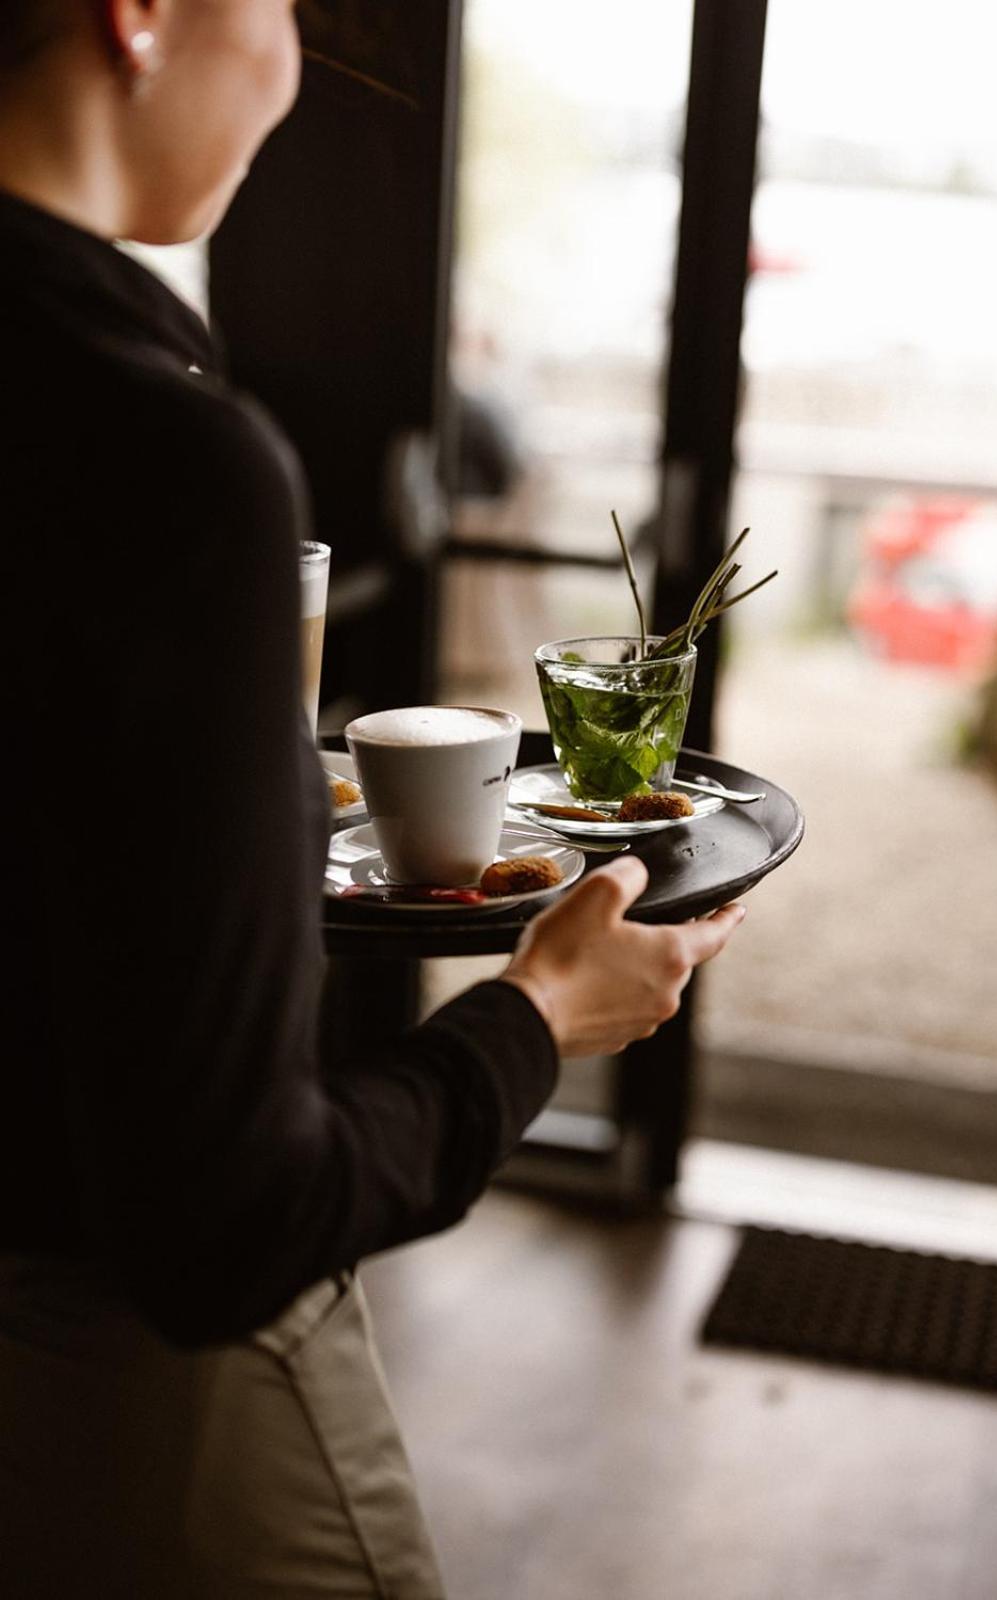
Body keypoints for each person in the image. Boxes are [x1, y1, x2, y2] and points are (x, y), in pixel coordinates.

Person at [0, 3, 747, 1596]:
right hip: (113, 1370)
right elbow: (227, 1222)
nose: (292, 56)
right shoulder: (154, 460)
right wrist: (539, 1016)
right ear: (138, 15)